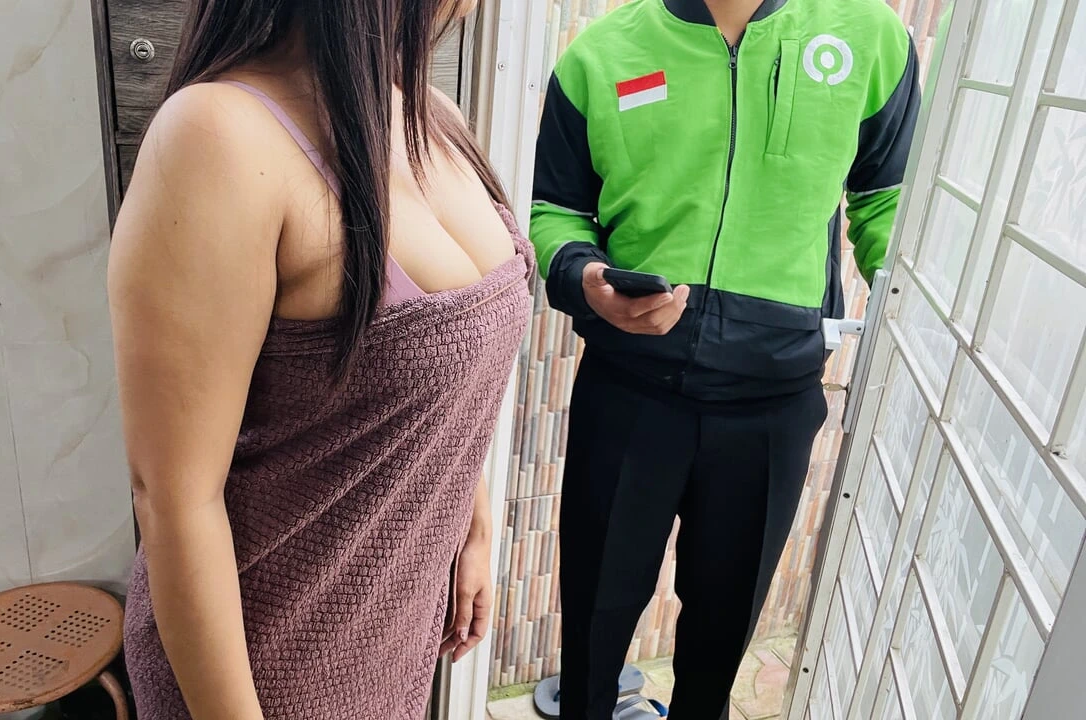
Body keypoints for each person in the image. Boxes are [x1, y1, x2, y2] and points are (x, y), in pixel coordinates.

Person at [107, 1, 533, 718]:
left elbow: (445, 380)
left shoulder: (430, 117)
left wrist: (475, 523)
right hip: (267, 669)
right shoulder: (217, 136)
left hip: (395, 636)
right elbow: (174, 499)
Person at [529, 0, 921, 717]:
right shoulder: (600, 56)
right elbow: (556, 211)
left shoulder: (870, 37)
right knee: (593, 619)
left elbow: (886, 199)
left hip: (772, 404)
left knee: (720, 639)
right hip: (627, 391)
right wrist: (584, 276)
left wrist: (922, 309)